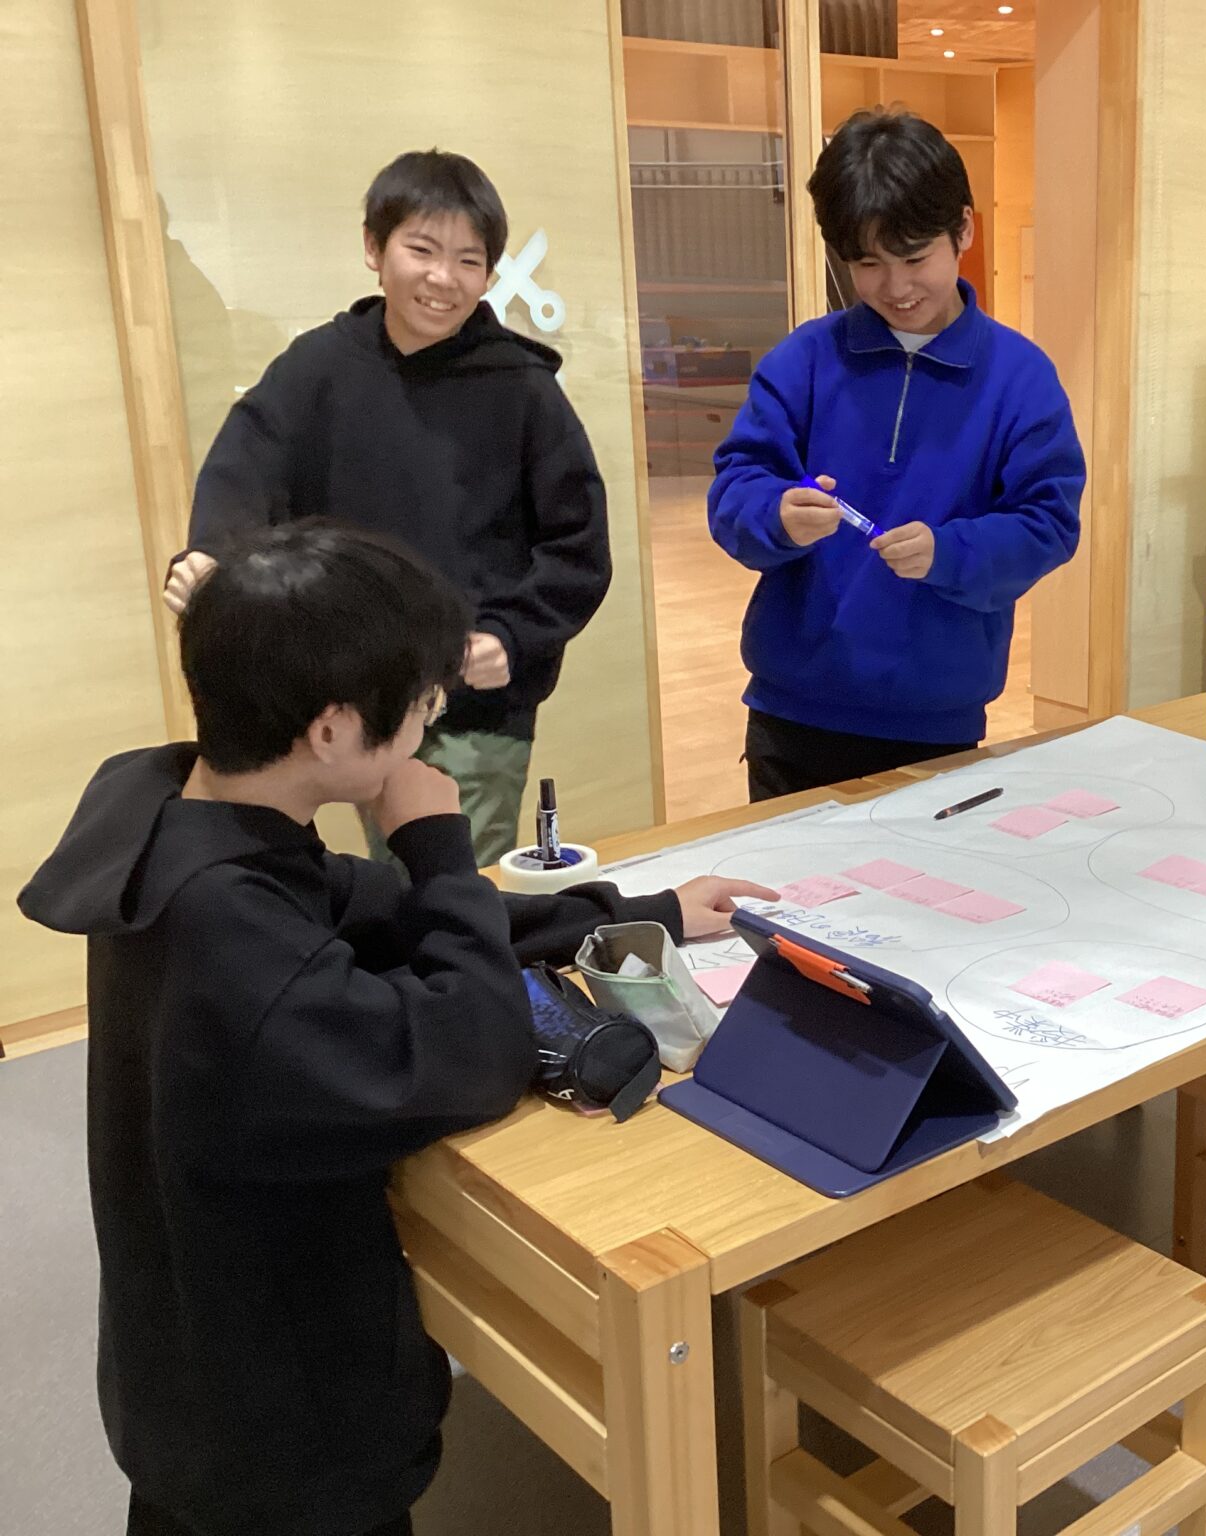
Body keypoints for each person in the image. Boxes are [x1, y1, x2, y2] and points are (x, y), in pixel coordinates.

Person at [18, 526, 773, 1536]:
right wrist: (437, 843)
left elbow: (376, 908)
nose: (430, 724)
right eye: (421, 706)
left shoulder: (179, 816)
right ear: (333, 731)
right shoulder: (242, 946)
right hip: (280, 1416)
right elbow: (471, 1049)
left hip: (180, 1355)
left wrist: (643, 912)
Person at [162, 149, 610, 864]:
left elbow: (578, 544)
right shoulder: (317, 367)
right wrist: (213, 560)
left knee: (453, 873)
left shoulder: (522, 387)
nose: (443, 278)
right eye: (422, 250)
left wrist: (513, 636)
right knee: (308, 868)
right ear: (374, 248)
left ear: (488, 274)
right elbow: (244, 471)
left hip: (466, 696)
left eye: (468, 260)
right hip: (337, 689)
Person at [708, 108, 1086, 802]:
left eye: (915, 258)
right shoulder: (804, 360)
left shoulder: (1019, 377)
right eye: (868, 264)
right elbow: (736, 486)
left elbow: (1048, 524)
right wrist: (776, 515)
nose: (897, 287)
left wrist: (950, 552)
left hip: (936, 724)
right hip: (792, 717)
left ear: (963, 230)